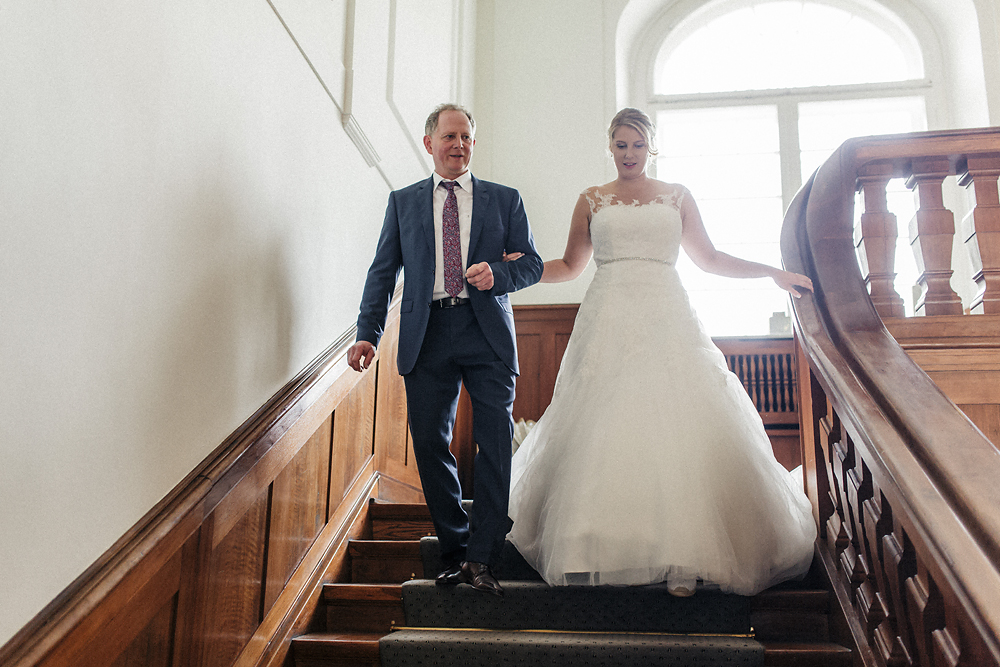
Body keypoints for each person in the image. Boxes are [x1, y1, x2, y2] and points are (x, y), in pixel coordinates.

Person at [506, 108, 817, 597]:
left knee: (678, 420)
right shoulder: (591, 198)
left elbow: (710, 259)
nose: (629, 154)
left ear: (652, 147)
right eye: (620, 144)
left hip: (666, 314)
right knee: (606, 423)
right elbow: (569, 265)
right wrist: (515, 273)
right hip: (607, 316)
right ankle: (599, 544)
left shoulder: (678, 197)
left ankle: (686, 555)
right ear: (609, 146)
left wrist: (771, 273)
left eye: (637, 145)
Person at [348, 103, 543, 597]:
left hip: (486, 332)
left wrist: (498, 274)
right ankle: (456, 550)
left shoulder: (505, 199)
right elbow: (383, 271)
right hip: (427, 332)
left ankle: (484, 557)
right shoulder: (403, 202)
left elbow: (533, 265)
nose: (459, 144)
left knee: (495, 444)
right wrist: (367, 331)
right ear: (429, 142)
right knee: (431, 445)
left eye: (466, 137)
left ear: (472, 144)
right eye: (449, 136)